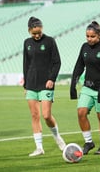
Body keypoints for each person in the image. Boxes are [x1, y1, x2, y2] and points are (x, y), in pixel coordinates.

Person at [23, 16, 66, 157]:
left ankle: (57, 137)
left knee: (46, 115)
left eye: (39, 32)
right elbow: (26, 64)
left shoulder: (49, 41)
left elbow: (57, 62)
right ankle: (39, 148)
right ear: (29, 30)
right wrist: (25, 84)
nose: (37, 35)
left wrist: (51, 79)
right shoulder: (27, 43)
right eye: (34, 33)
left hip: (46, 83)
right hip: (31, 83)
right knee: (34, 115)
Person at [70, 21, 100, 155]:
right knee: (81, 112)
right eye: (87, 36)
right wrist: (73, 84)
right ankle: (89, 142)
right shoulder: (84, 47)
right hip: (87, 88)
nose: (89, 39)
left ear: (99, 35)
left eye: (92, 36)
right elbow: (79, 66)